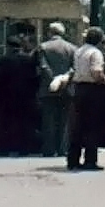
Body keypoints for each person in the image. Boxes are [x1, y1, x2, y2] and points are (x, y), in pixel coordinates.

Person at [0, 27, 40, 156]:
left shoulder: (2, 60)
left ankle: (5, 149)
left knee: (6, 123)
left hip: (5, 97)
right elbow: (34, 77)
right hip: (25, 97)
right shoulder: (28, 59)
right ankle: (23, 149)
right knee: (24, 123)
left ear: (8, 46)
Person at [67, 27, 105, 171]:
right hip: (92, 91)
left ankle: (73, 160)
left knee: (77, 126)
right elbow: (96, 72)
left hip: (78, 89)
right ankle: (90, 160)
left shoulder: (79, 51)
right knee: (92, 126)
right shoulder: (95, 53)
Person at [36, 22, 77, 157]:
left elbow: (43, 66)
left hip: (48, 89)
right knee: (64, 120)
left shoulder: (43, 47)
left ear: (49, 32)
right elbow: (74, 69)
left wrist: (53, 79)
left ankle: (49, 149)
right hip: (67, 88)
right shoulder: (72, 48)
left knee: (48, 120)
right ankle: (63, 149)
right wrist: (64, 79)